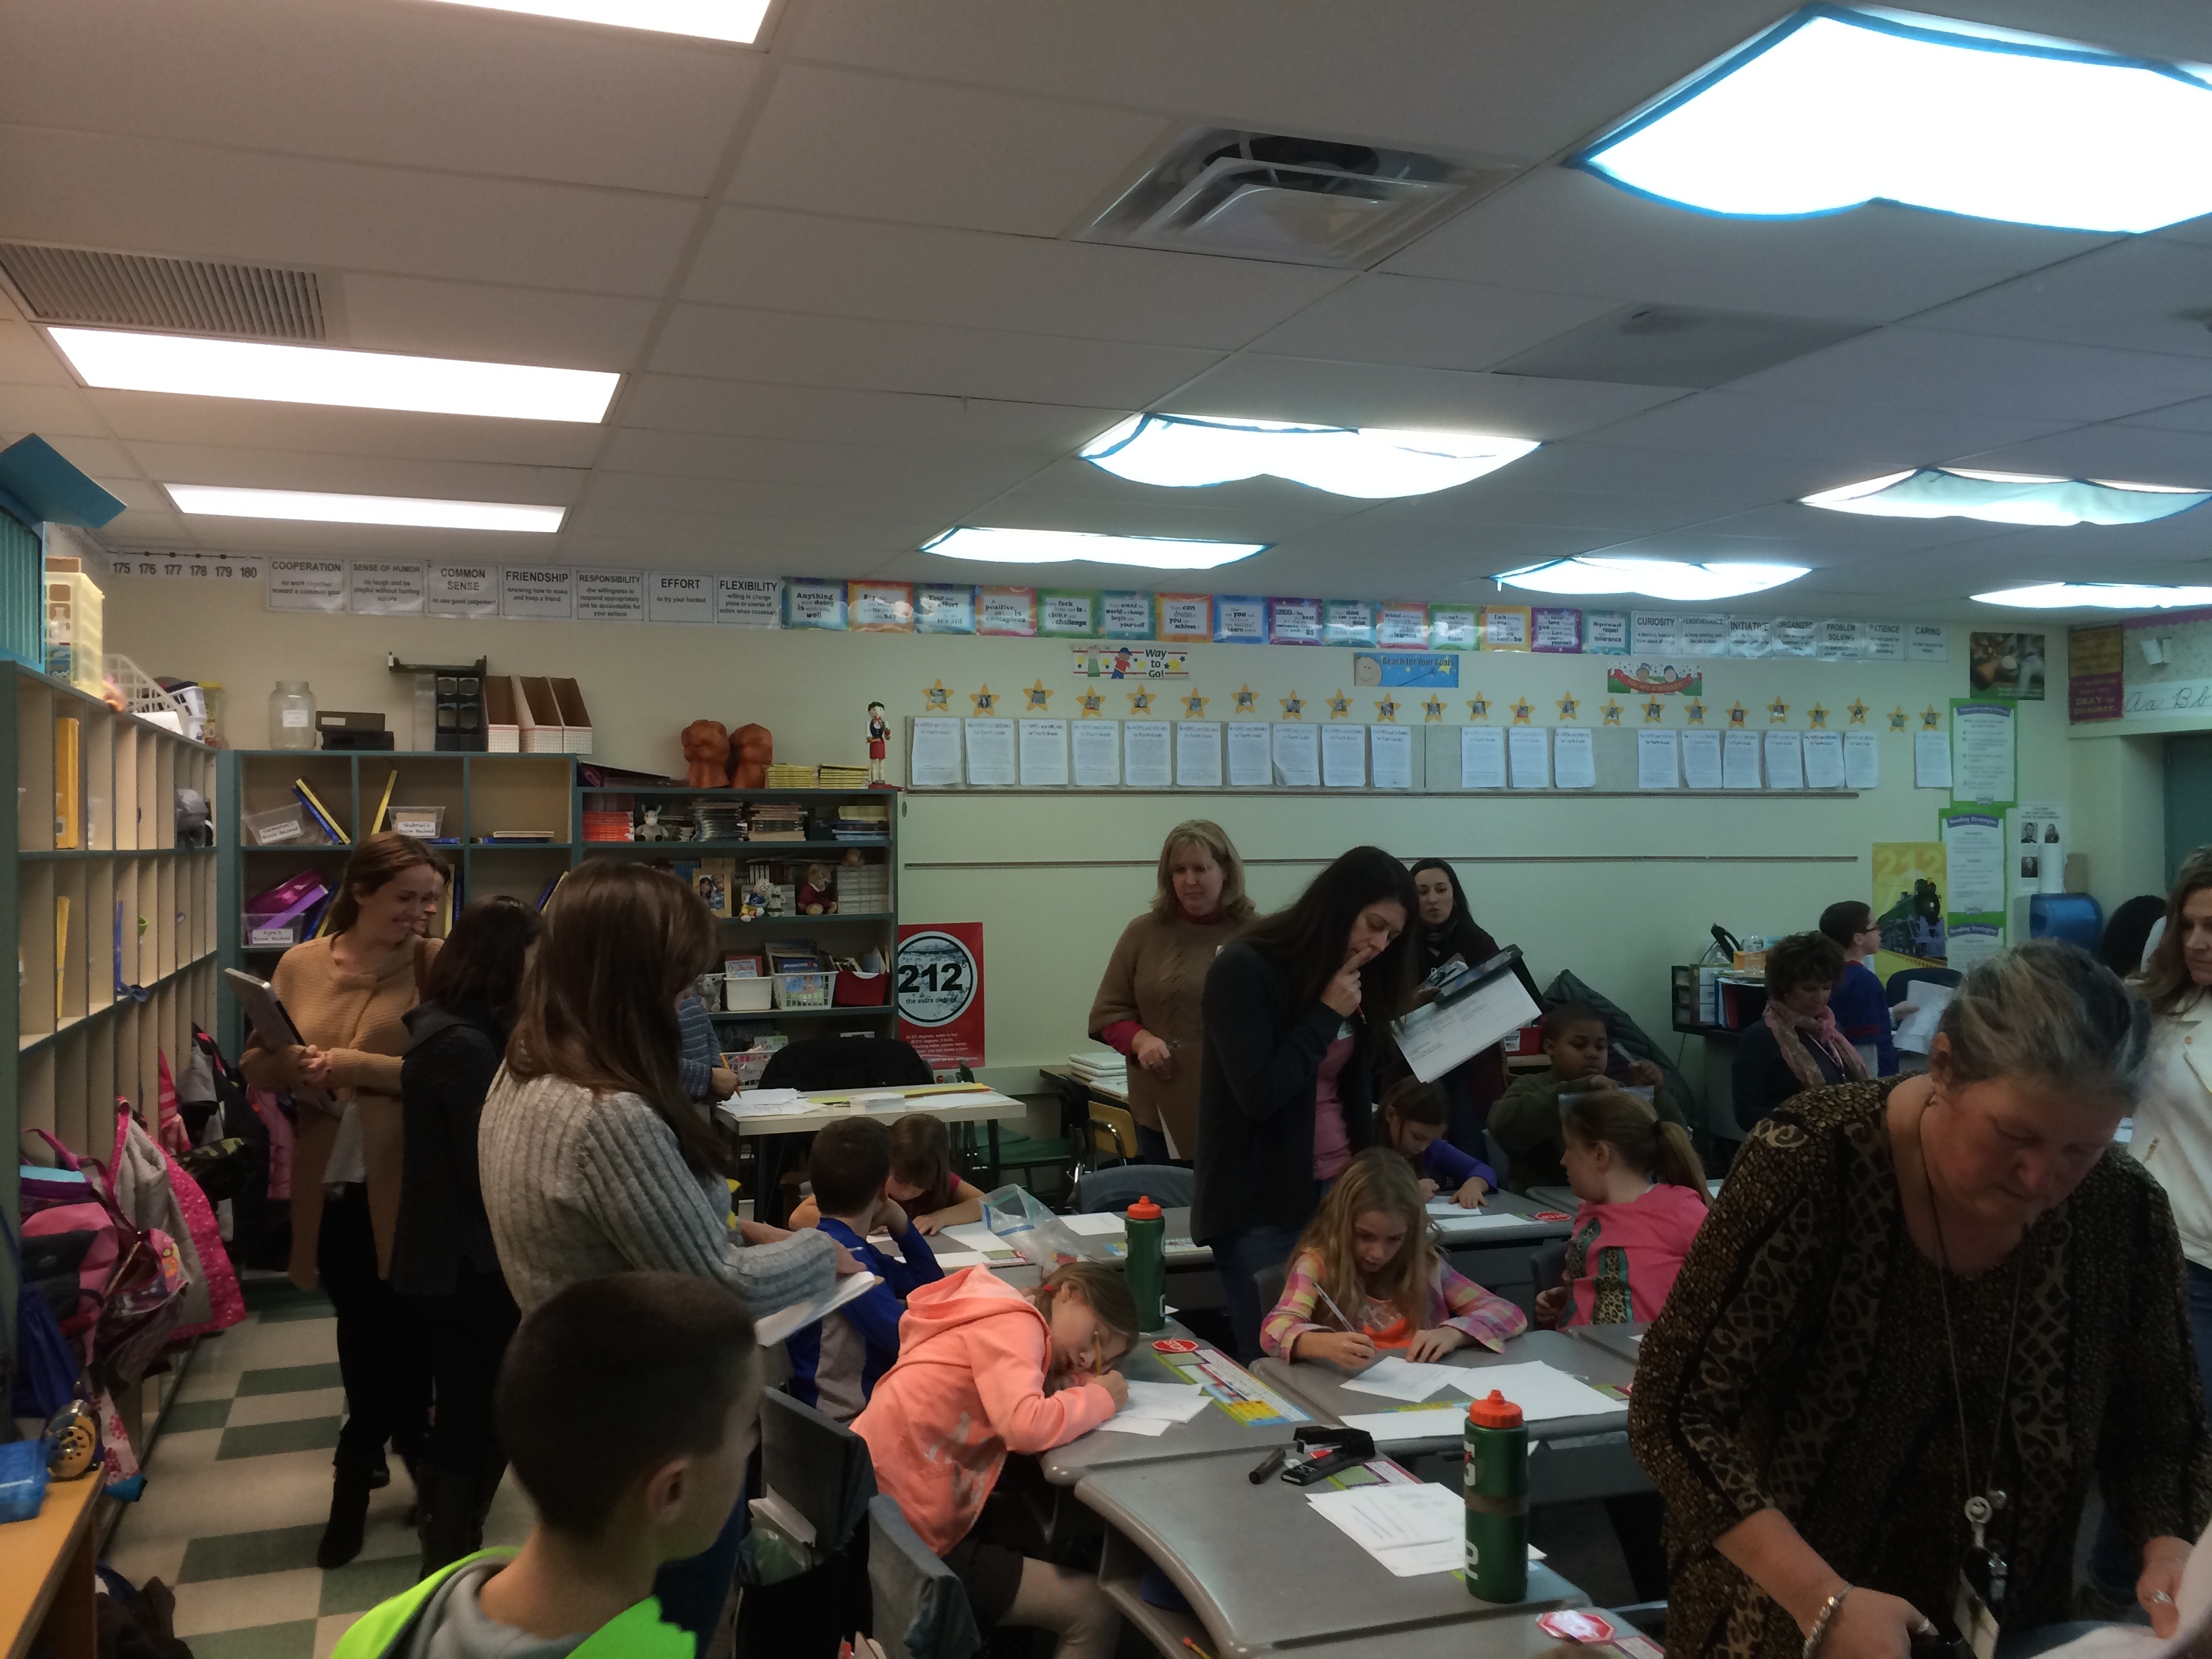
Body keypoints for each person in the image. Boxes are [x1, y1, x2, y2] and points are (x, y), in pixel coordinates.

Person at [1631, 942, 2211, 1659]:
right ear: (1944, 1067)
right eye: (2015, 1135)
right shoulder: (1811, 1160)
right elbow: (1676, 1410)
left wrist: (2170, 1550)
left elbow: (2160, 1433)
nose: (2041, 1178)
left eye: (2079, 1150)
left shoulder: (2122, 1209)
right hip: (1787, 1614)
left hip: (2011, 1623)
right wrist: (1824, 1601)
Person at [479, 861, 843, 1651]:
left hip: (581, 1410)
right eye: (677, 981)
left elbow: (634, 1234)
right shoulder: (607, 1114)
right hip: (650, 1431)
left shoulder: (526, 1070)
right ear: (631, 980)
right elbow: (718, 1291)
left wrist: (736, 1229)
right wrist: (827, 1250)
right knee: (670, 1630)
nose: (686, 1001)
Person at [332, 1272, 762, 1659]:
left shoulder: (382, 1629)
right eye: (746, 1427)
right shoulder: (660, 1650)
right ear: (672, 1491)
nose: (751, 1444)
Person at [241, 832, 445, 1570]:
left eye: (430, 898)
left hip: (411, 1179)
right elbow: (254, 1062)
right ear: (360, 893)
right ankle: (389, 1461)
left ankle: (370, 1467)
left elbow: (453, 1070)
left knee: (413, 1329)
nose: (421, 912)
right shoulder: (300, 964)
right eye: (405, 898)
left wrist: (352, 1065)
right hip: (331, 1178)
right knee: (364, 1328)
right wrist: (288, 1067)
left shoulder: (437, 963)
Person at [1192, 845, 1420, 1360]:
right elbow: (1259, 1093)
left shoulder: (1353, 977)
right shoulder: (1245, 969)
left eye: (1392, 936)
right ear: (1339, 906)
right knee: (1278, 1357)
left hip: (1341, 1192)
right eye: (1374, 925)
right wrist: (1325, 1014)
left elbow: (1354, 1083)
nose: (1379, 944)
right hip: (1262, 1202)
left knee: (1343, 1354)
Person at [856, 1263, 1135, 1659]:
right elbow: (1026, 1428)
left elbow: (1034, 1386)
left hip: (877, 1504)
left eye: (1101, 1361)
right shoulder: (1018, 1325)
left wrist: (1077, 1382)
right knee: (1095, 1612)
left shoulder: (998, 1309)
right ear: (1069, 1293)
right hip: (911, 1538)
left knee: (1040, 1535)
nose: (1087, 1359)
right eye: (1096, 1339)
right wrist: (1102, 1397)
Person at [391, 895, 541, 1578]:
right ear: (505, 963)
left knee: (473, 1408)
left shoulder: (451, 1029)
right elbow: (488, 1164)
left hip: (450, 1257)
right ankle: (447, 1561)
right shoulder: (463, 1045)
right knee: (469, 1414)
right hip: (464, 1263)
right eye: (534, 959)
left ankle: (452, 1550)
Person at [1259, 1146, 1525, 1364]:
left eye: (1395, 1239)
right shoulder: (1317, 1266)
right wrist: (1319, 1344)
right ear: (1341, 1223)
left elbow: (1508, 1312)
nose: (1378, 1253)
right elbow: (1274, 1330)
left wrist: (1454, 1333)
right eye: (1365, 1236)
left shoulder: (1424, 1266)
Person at [1088, 819, 1254, 1162]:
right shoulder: (1143, 933)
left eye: (1200, 869)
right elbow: (1108, 1014)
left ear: (1225, 872)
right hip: (1162, 1110)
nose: (1189, 880)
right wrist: (1141, 1041)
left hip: (1240, 1108)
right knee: (1169, 1193)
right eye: (1179, 870)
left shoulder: (1258, 935)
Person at [784, 1117, 943, 1422]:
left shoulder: (845, 1246)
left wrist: (900, 1224)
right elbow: (909, 1341)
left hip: (848, 1413)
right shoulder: (849, 1265)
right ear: (884, 1190)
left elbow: (930, 1287)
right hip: (846, 1423)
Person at [1534, 1090, 1708, 1331]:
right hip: (1577, 1348)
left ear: (1600, 1154)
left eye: (1570, 1147)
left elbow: (1726, 1280)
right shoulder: (1587, 1211)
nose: (1563, 1160)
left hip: (1640, 1352)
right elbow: (1594, 1280)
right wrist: (1564, 1297)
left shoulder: (1680, 1209)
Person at [1492, 1003, 1683, 1193]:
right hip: (1547, 1197)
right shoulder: (1533, 1085)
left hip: (1614, 1196)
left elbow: (1679, 1142)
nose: (1592, 1054)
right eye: (1579, 1045)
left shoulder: (1616, 1090)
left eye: (1601, 1047)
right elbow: (1501, 1126)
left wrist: (1654, 1094)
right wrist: (1576, 1090)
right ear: (1550, 1047)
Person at [1408, 858, 1510, 1143]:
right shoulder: (1396, 946)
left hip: (1472, 1066)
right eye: (1422, 892)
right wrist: (1412, 1002)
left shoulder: (1479, 942)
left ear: (1455, 894)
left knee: (1471, 1148)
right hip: (1416, 1065)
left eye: (1441, 890)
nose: (1432, 899)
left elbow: (1502, 1002)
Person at [1732, 931, 1867, 1132]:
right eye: (1809, 989)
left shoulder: (1832, 1031)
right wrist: (1804, 1123)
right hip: (1790, 1144)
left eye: (1826, 987)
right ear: (1785, 987)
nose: (1819, 998)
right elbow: (1745, 1112)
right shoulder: (1760, 1037)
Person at [788, 1111, 984, 1235]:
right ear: (887, 1163)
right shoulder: (869, 1177)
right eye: (899, 1179)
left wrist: (940, 1217)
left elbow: (988, 1203)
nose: (906, 1192)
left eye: (919, 1184)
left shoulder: (936, 1178)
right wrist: (859, 1223)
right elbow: (797, 1217)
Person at [1819, 901, 1909, 1078]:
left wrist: (1891, 1015)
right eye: (1875, 927)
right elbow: (1865, 1048)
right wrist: (1870, 1088)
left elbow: (1848, 1020)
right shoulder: (1863, 981)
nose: (1880, 931)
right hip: (1874, 1080)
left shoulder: (1829, 974)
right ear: (1858, 938)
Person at [1376, 1076, 1497, 1207]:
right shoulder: (1364, 1145)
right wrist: (1407, 1193)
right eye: (1417, 1137)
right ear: (1391, 1115)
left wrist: (1475, 1183)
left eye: (1432, 1139)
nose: (1423, 1148)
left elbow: (1482, 1169)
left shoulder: (1431, 1147)